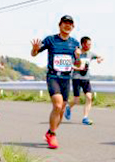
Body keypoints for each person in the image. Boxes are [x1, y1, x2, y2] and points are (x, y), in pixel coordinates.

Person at [31, 15, 81, 149]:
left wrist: (77, 56)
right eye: (65, 23)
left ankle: (50, 132)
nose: (67, 25)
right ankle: (52, 134)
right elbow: (34, 54)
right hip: (53, 77)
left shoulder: (75, 43)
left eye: (70, 23)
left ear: (73, 27)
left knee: (62, 109)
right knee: (58, 106)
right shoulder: (50, 40)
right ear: (60, 25)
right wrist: (35, 49)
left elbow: (77, 63)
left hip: (66, 78)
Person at [65, 36, 103, 125]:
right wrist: (78, 68)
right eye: (88, 44)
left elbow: (99, 56)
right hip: (76, 78)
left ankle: (85, 118)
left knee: (89, 97)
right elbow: (70, 65)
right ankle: (68, 107)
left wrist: (99, 59)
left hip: (86, 79)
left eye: (90, 44)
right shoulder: (76, 53)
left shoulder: (90, 54)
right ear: (82, 44)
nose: (90, 46)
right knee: (76, 101)